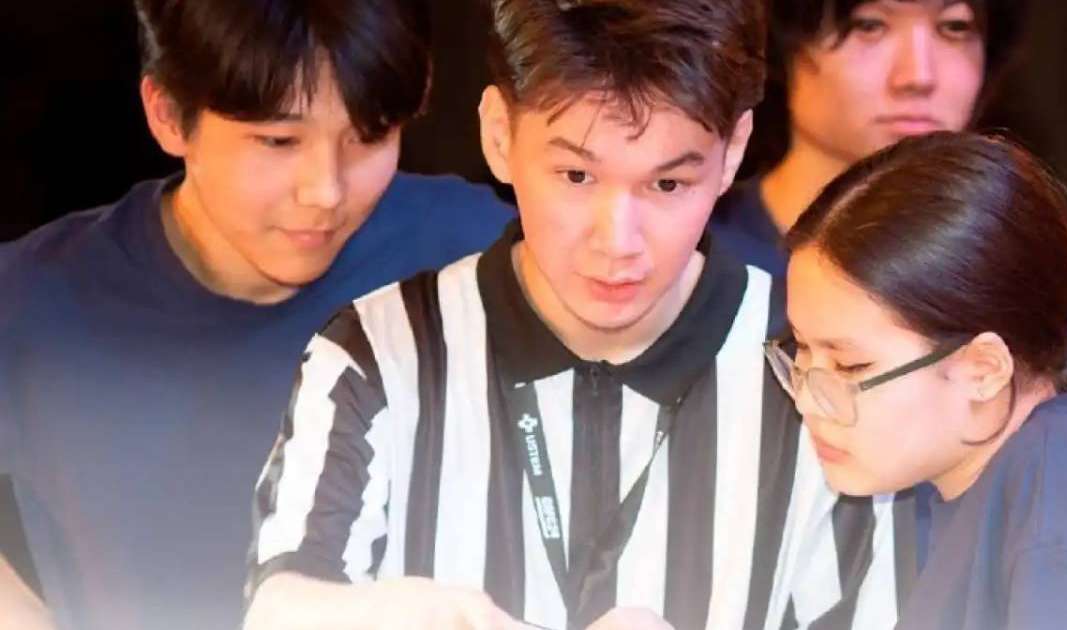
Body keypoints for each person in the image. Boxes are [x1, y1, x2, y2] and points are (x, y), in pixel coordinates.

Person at [244, 1, 896, 629]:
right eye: (576, 177)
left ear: (732, 152)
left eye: (666, 185)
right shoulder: (378, 351)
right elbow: (280, 604)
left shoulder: (820, 366)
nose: (617, 240)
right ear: (499, 135)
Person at [0, 0, 513, 627]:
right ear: (167, 115)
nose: (325, 190)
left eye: (368, 137)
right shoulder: (31, 305)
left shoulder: (479, 253)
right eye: (278, 141)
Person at [768, 131, 1067, 629]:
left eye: (850, 367)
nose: (808, 398)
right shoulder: (1019, 478)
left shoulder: (1064, 477)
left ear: (984, 369)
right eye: (800, 349)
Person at [709, 0, 1067, 349]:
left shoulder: (1016, 272)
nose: (918, 75)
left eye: (954, 27)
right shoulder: (695, 256)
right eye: (870, 25)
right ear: (782, 45)